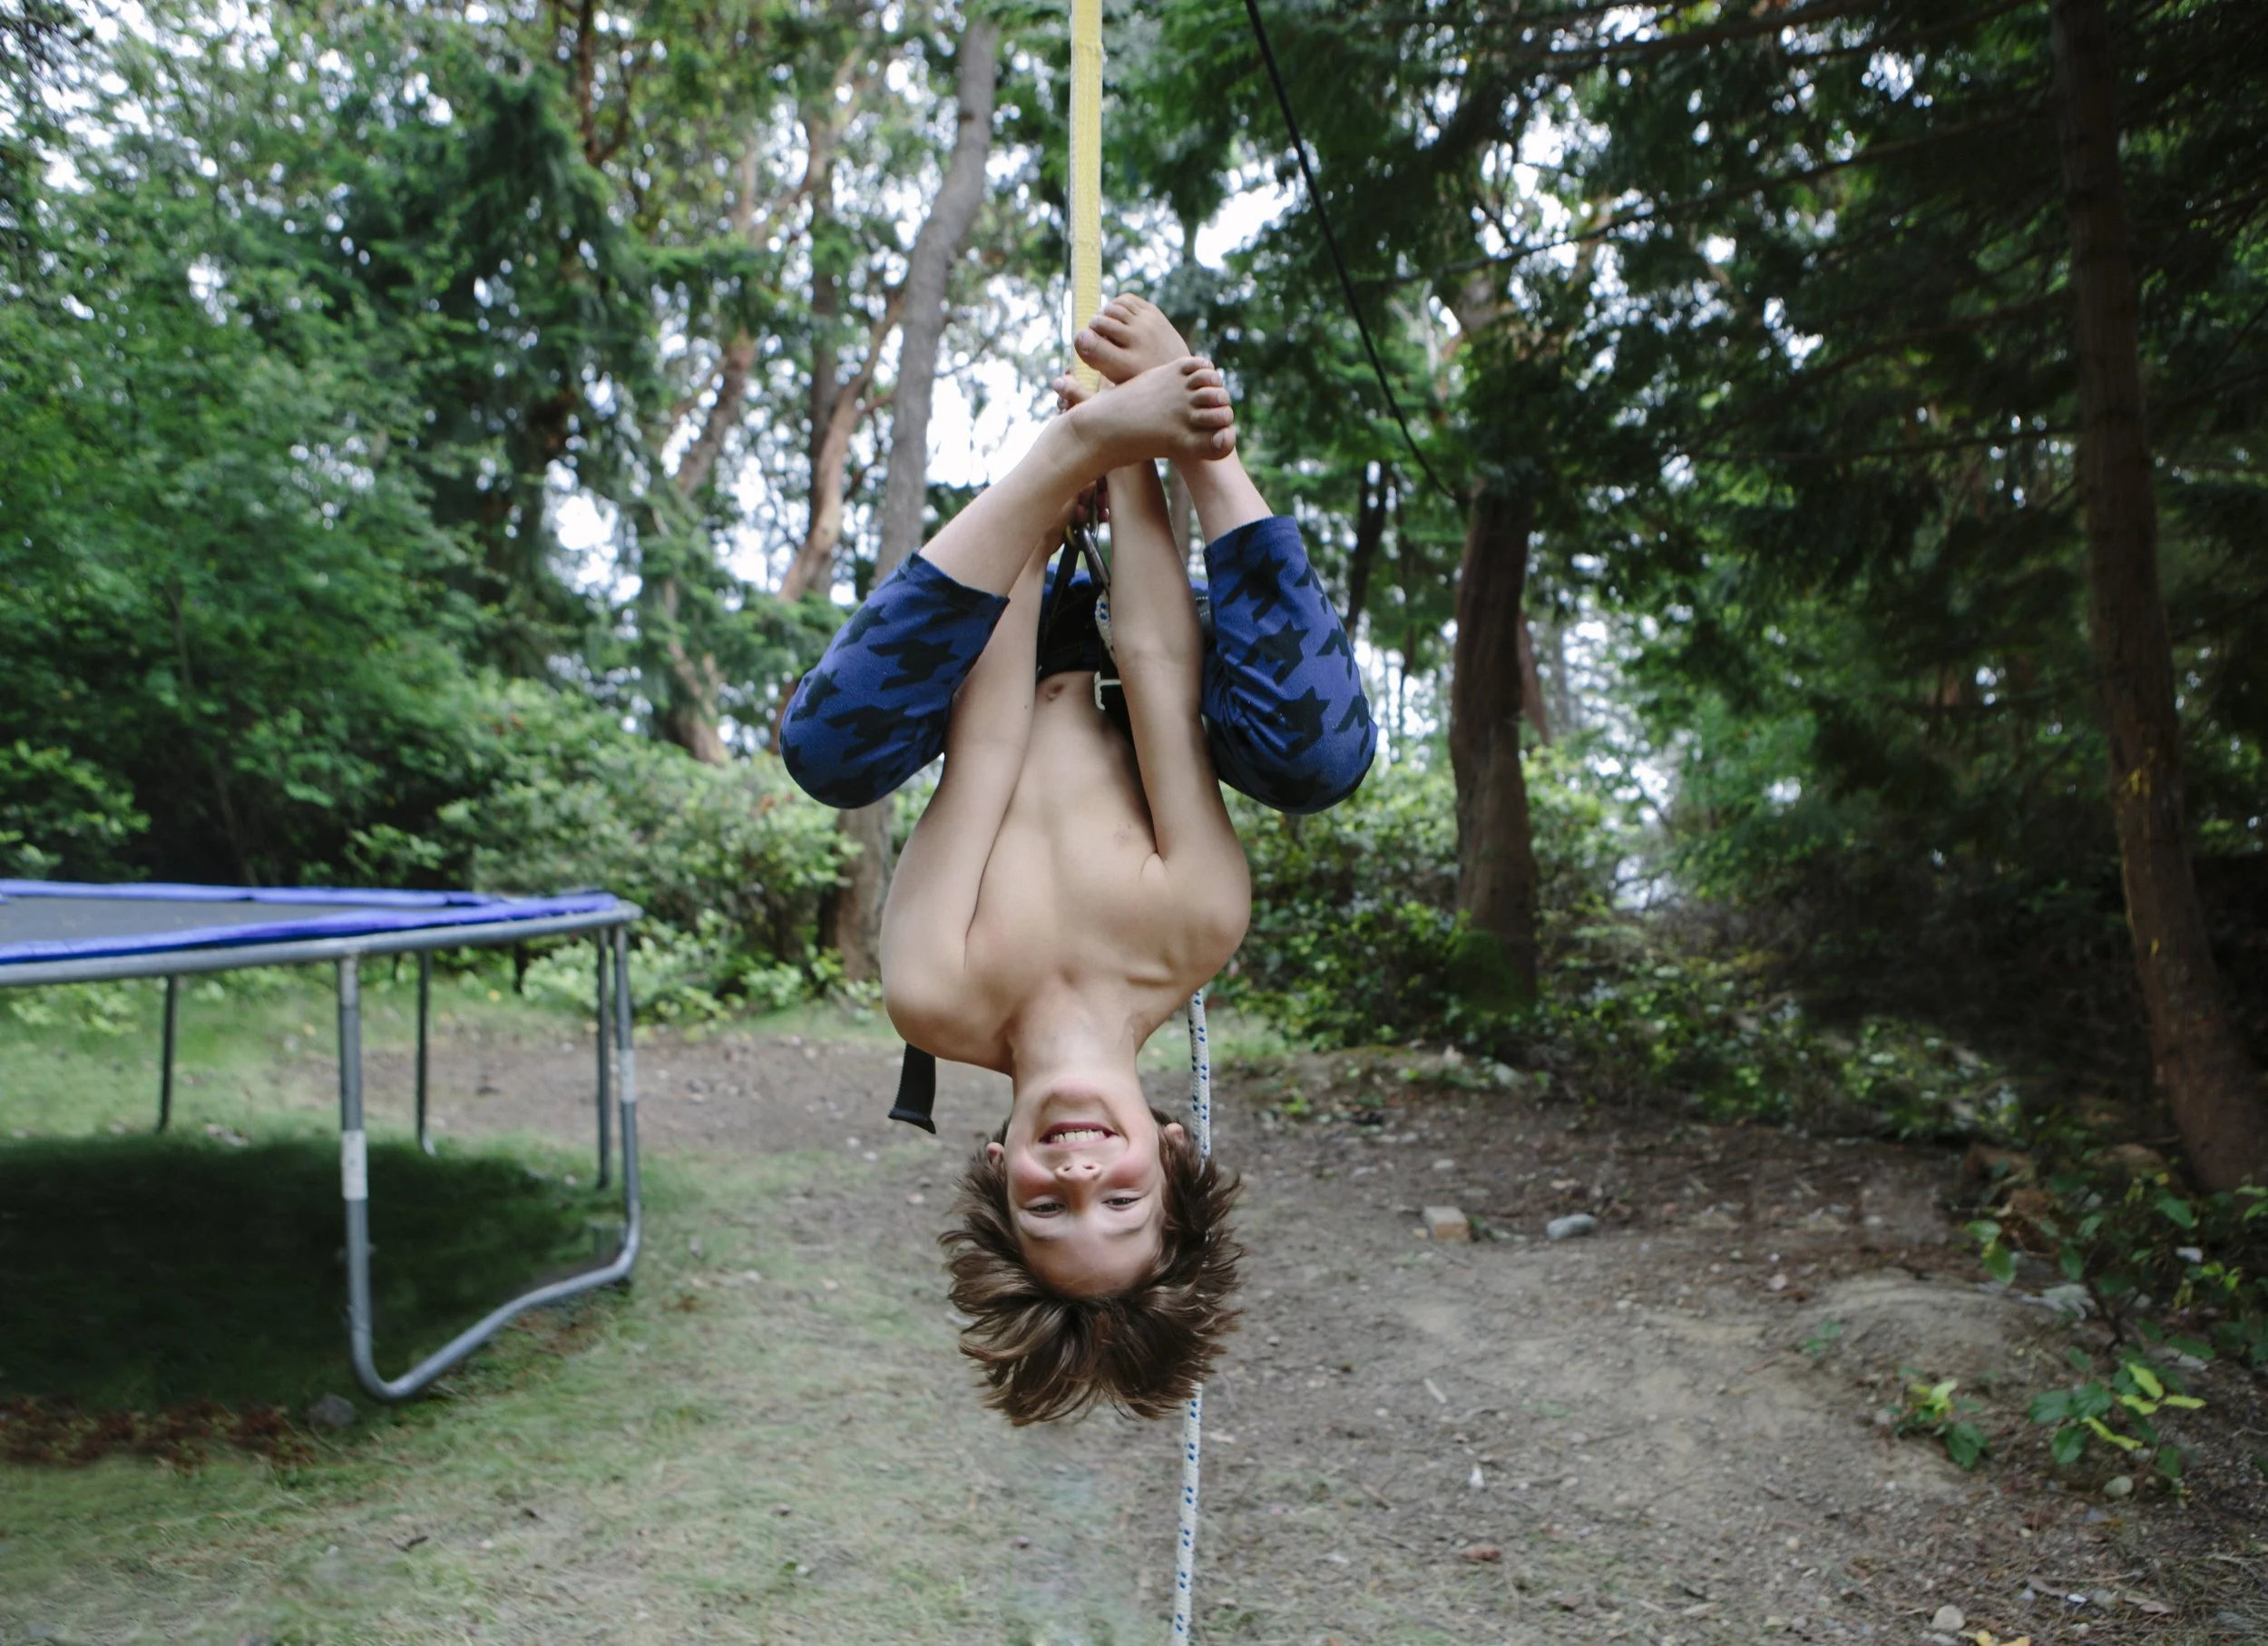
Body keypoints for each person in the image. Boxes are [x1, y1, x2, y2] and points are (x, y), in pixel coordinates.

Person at [776, 300, 1374, 1425]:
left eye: (1049, 1213)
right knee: (1322, 754)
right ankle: (1213, 446)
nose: (1081, 1176)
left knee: (824, 750)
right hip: (1144, 633)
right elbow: (1154, 663)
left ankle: (1083, 447)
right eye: (1124, 1200)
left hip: (996, 608)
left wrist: (1057, 479)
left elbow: (988, 737)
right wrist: (1141, 446)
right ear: (1175, 1149)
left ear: (1000, 1166)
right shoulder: (1193, 927)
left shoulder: (937, 993)